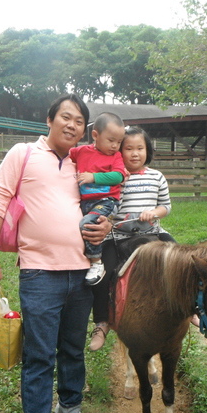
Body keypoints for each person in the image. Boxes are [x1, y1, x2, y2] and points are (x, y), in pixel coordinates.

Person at [0, 94, 111, 413]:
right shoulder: (23, 154)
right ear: (49, 120)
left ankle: (69, 409)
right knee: (39, 356)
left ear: (85, 130)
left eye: (79, 120)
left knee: (72, 349)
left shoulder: (82, 164)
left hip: (82, 272)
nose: (72, 124)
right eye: (65, 117)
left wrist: (107, 225)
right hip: (39, 274)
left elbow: (102, 203)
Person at [88, 126, 175, 351]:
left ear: (148, 150)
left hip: (152, 233)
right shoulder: (115, 178)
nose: (135, 153)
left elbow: (166, 206)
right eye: (129, 148)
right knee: (102, 274)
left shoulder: (157, 177)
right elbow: (105, 205)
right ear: (119, 151)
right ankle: (102, 323)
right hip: (117, 236)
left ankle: (190, 309)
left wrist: (154, 213)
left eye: (140, 148)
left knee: (181, 261)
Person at [69, 112, 127, 286]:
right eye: (111, 140)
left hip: (106, 201)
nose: (115, 146)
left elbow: (118, 176)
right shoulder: (81, 152)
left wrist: (93, 177)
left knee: (87, 224)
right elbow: (64, 154)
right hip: (85, 202)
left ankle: (96, 262)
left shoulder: (115, 157)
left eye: (119, 142)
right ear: (95, 135)